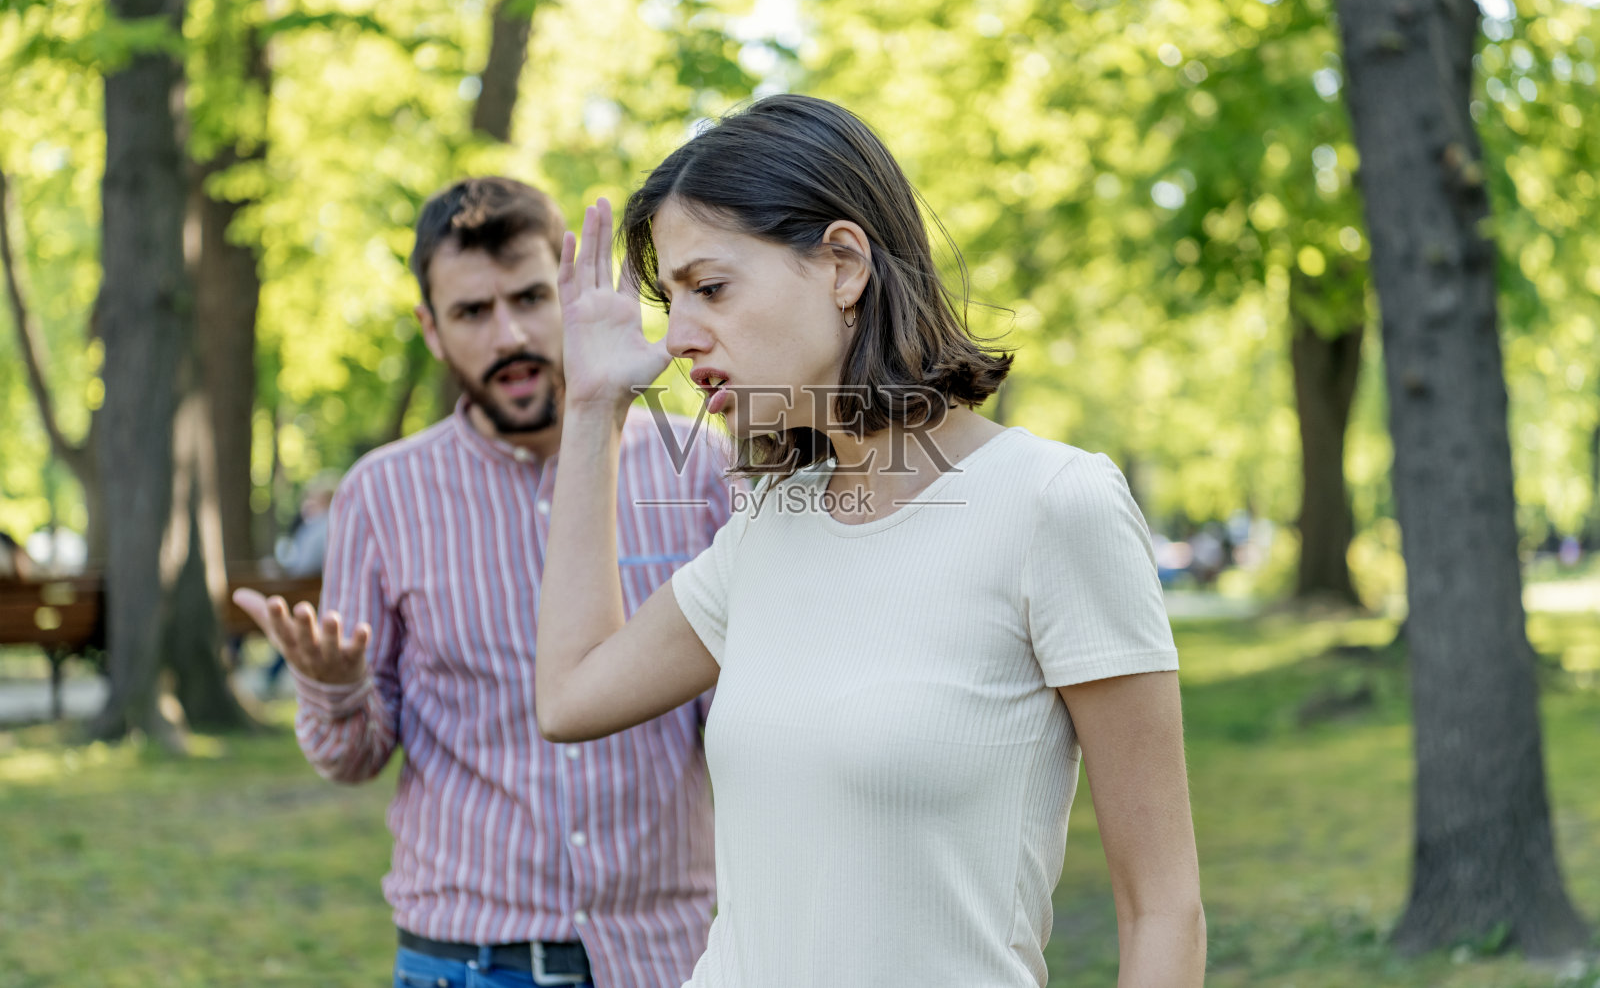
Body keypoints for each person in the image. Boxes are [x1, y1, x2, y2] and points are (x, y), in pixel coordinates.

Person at [534, 95, 1206, 986]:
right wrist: (591, 409)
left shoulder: (1054, 505)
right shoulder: (771, 523)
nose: (678, 340)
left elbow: (1162, 907)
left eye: (711, 287)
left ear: (843, 264)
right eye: (672, 300)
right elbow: (571, 696)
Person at [234, 176, 732, 988]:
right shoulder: (381, 494)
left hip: (665, 957)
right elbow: (354, 757)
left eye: (532, 297)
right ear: (431, 330)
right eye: (472, 312)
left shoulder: (698, 469)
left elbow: (740, 719)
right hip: (466, 962)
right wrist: (335, 688)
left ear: (568, 293)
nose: (510, 334)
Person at [261, 474, 339, 691]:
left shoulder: (318, 528)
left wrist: (280, 564)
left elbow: (301, 567)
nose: (307, 504)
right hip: (316, 594)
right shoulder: (337, 526)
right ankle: (270, 673)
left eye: (312, 499)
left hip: (305, 594)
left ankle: (268, 673)